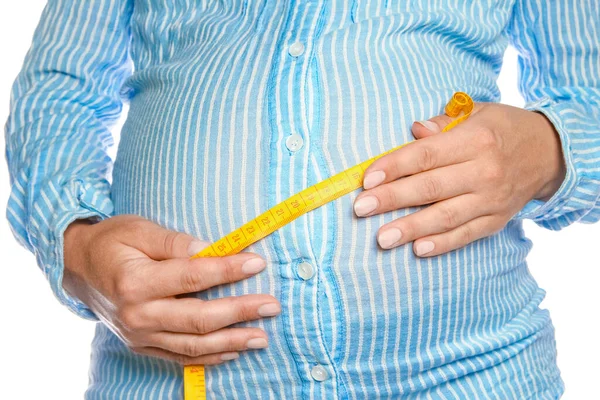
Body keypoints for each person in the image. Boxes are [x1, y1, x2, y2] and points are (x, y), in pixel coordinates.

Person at [5, 0, 599, 398]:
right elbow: (62, 92)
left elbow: (590, 97)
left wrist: (550, 147)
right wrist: (75, 243)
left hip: (474, 373)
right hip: (166, 379)